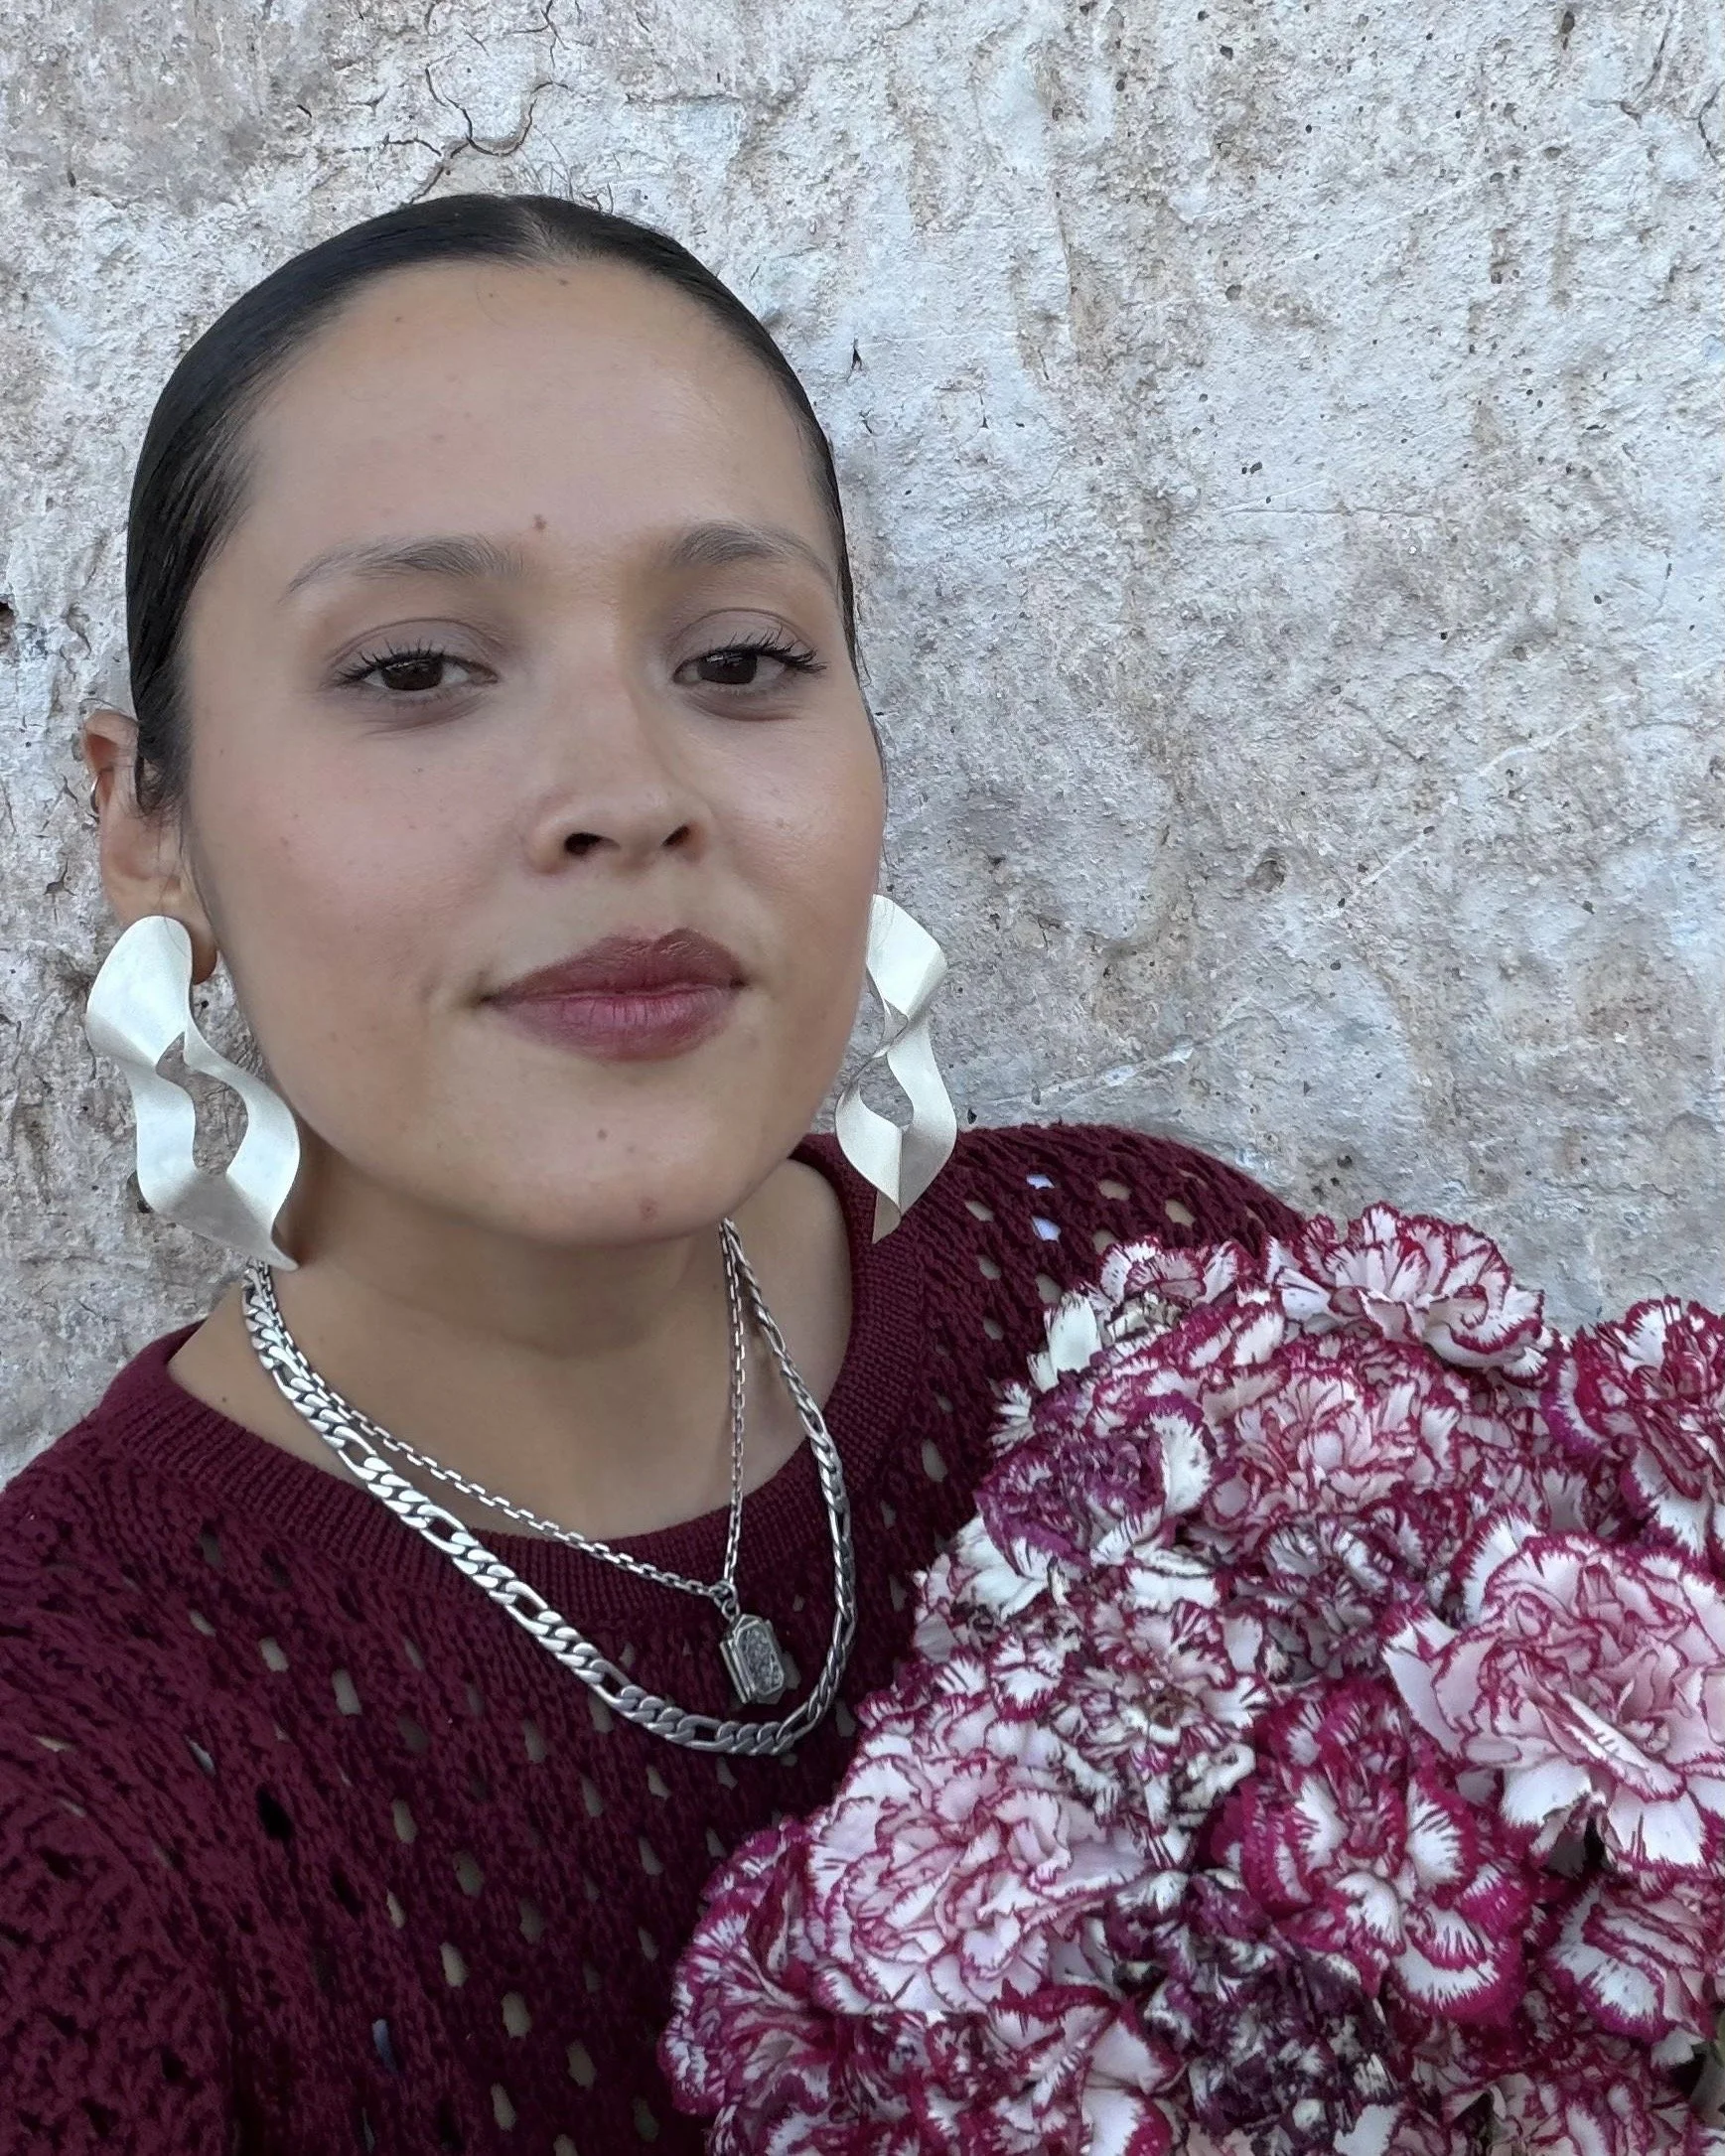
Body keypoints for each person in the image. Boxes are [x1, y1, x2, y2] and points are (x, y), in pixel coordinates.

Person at [0, 194, 1300, 2153]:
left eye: (743, 654)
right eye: (420, 670)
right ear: (146, 815)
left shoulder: (1157, 1317)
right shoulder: (66, 1779)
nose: (627, 790)